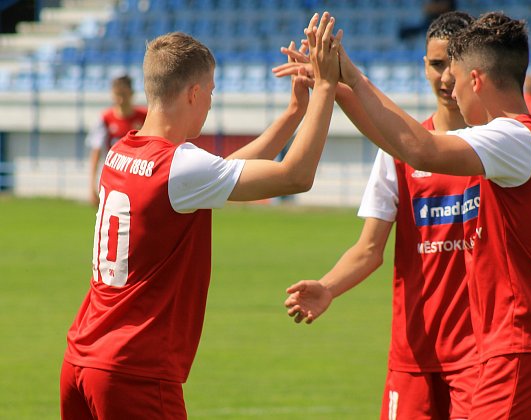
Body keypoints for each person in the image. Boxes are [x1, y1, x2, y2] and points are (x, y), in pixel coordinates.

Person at [288, 11, 531, 419]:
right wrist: (337, 86)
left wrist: (352, 78)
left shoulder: (512, 137)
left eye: (457, 76)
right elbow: (407, 145)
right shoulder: (523, 142)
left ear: (476, 80)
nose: (450, 85)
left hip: (520, 354)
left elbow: (421, 149)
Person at [60, 13, 342, 419]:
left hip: (82, 360)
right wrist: (327, 88)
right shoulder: (179, 166)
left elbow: (221, 171)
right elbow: (296, 176)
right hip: (134, 369)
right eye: (210, 91)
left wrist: (295, 111)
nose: (211, 101)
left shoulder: (123, 150)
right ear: (193, 93)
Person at [276, 12, 479, 419]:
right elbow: (369, 248)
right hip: (414, 356)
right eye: (437, 65)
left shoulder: (494, 148)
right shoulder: (397, 153)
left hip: (480, 356)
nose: (445, 79)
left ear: (474, 71)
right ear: (424, 65)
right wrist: (328, 287)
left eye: (454, 67)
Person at [85, 75, 147, 206]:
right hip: (115, 175)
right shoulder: (106, 119)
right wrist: (92, 185)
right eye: (117, 94)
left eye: (123, 94)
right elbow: (96, 150)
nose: (120, 99)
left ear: (131, 93)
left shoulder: (144, 117)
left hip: (139, 176)